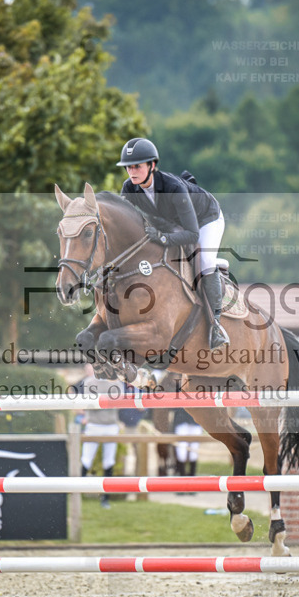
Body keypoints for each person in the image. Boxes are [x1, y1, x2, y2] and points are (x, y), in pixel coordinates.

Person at [116, 137, 229, 349]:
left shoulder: (173, 188)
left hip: (206, 219)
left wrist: (162, 237)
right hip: (172, 223)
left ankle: (216, 326)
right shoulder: (129, 189)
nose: (132, 172)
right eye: (128, 167)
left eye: (137, 166)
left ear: (152, 166)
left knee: (203, 259)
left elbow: (192, 235)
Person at [75, 364, 126, 508]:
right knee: (87, 460)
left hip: (108, 426)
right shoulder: (92, 382)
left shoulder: (110, 382)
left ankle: (104, 498)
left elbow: (119, 404)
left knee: (106, 461)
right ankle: (78, 495)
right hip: (96, 426)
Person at [171, 407, 203, 491]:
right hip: (181, 419)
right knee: (181, 453)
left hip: (196, 419)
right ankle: (182, 484)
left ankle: (192, 484)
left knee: (194, 453)